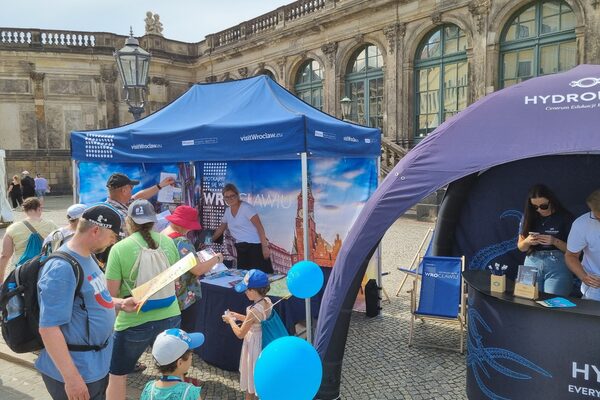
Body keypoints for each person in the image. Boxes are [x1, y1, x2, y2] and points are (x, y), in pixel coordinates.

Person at [36, 204, 139, 400]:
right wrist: (72, 379)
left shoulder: (88, 256)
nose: (112, 243)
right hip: (77, 369)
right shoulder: (62, 269)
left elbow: (93, 297)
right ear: (95, 230)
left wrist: (119, 303)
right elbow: (48, 329)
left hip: (94, 365)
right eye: (112, 237)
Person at [105, 199, 181, 400]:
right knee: (171, 373)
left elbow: (110, 295)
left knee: (117, 375)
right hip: (170, 313)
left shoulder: (120, 248)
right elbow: (176, 279)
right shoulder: (168, 241)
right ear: (154, 221)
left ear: (128, 221)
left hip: (133, 320)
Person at [161, 205, 224, 332]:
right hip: (183, 297)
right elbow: (198, 269)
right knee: (184, 334)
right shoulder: (181, 241)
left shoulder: (161, 235)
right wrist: (216, 259)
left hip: (165, 291)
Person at [222, 269, 272, 400]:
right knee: (259, 377)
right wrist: (238, 316)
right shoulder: (267, 301)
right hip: (262, 340)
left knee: (252, 377)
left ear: (254, 291)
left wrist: (231, 321)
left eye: (247, 290)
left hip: (253, 346)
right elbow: (257, 322)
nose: (245, 292)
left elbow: (240, 333)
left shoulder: (253, 310)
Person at [517, 184, 574, 296]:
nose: (539, 210)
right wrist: (528, 241)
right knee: (525, 302)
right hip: (531, 260)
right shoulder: (528, 217)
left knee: (553, 305)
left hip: (557, 262)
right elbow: (521, 247)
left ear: (551, 201)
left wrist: (554, 241)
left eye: (543, 206)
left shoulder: (565, 217)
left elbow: (574, 251)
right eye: (534, 207)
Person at [213, 183, 273, 273]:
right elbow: (221, 228)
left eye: (232, 195)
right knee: (244, 277)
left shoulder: (246, 208)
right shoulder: (228, 211)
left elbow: (260, 228)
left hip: (255, 248)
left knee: (258, 277)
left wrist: (264, 247)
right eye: (227, 197)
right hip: (241, 248)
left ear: (237, 195)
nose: (230, 199)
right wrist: (210, 239)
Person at [0, 197, 58, 284]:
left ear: (24, 210)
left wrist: (1, 281)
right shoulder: (51, 225)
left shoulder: (13, 228)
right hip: (45, 269)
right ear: (39, 208)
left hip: (20, 271)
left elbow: (5, 255)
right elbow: (59, 247)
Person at [140, 328, 204, 400]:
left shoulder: (149, 389)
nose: (192, 357)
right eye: (191, 355)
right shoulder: (190, 392)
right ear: (180, 363)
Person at [566, 189, 600, 301]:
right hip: (595, 286)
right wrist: (584, 277)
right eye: (597, 217)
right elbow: (571, 255)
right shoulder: (582, 224)